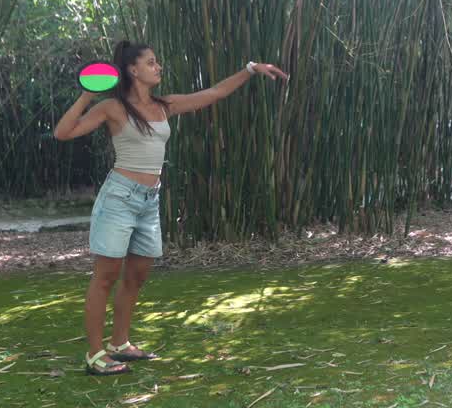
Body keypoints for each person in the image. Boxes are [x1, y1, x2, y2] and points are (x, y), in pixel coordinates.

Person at [53, 41, 289, 375]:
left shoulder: (166, 105)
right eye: (151, 63)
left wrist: (250, 70)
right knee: (105, 277)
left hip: (149, 201)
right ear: (133, 70)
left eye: (157, 62)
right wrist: (86, 94)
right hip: (119, 198)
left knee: (136, 276)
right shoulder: (112, 108)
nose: (158, 67)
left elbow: (214, 93)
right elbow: (63, 133)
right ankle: (94, 354)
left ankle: (119, 343)